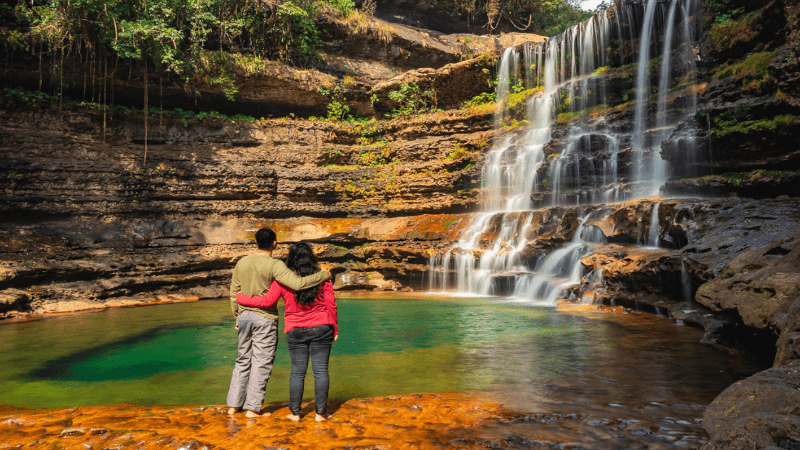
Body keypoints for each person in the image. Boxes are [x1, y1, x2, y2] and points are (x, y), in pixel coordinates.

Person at [227, 228, 330, 418]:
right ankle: (252, 409)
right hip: (264, 318)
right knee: (261, 363)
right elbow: (298, 285)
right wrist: (323, 275)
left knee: (242, 360)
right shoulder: (275, 265)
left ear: (255, 241)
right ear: (274, 243)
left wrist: (237, 316)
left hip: (243, 317)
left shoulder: (241, 262)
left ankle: (233, 406)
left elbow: (234, 293)